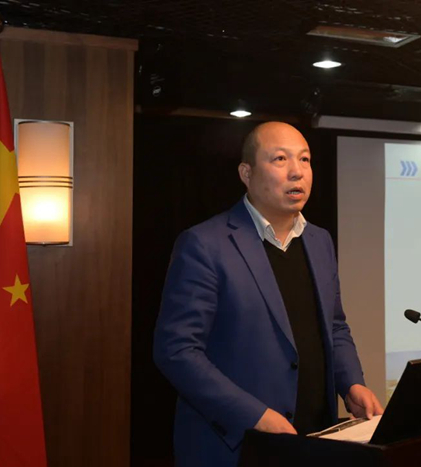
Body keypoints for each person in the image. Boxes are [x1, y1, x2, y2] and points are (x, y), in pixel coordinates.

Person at [154, 122, 383, 467]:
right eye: (280, 159)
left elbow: (334, 326)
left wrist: (351, 383)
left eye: (304, 160)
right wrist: (254, 416)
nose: (297, 172)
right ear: (246, 173)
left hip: (316, 441)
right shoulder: (205, 244)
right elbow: (177, 351)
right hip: (236, 447)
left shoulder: (319, 241)